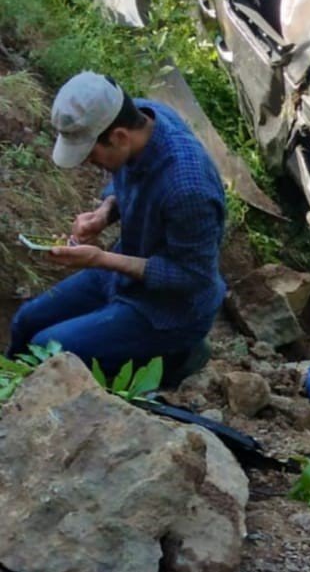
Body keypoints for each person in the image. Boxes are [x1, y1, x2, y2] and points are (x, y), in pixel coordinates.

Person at [8, 71, 227, 384]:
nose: (87, 161)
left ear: (120, 137)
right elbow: (127, 178)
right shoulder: (141, 116)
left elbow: (191, 276)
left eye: (90, 153)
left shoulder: (189, 189)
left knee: (48, 350)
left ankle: (176, 358)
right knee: (25, 322)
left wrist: (100, 259)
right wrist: (104, 213)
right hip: (124, 272)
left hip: (169, 310)